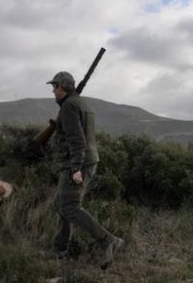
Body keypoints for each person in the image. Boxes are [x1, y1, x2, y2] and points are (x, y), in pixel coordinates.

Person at [44, 71, 123, 269]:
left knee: (70, 206)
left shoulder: (69, 106)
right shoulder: (79, 103)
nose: (53, 91)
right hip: (81, 161)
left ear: (63, 87)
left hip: (77, 162)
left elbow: (77, 139)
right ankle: (61, 249)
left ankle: (108, 240)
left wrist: (76, 168)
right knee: (61, 202)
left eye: (55, 87)